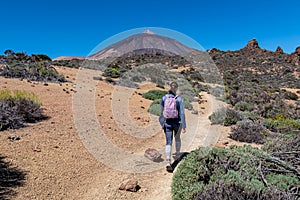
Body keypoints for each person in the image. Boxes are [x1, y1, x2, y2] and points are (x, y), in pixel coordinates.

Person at [159, 81, 186, 172]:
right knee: (177, 139)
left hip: (167, 123)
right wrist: (184, 125)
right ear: (177, 89)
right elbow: (182, 113)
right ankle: (178, 156)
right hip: (177, 123)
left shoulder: (164, 98)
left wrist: (163, 124)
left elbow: (161, 113)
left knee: (168, 142)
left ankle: (168, 161)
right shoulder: (179, 99)